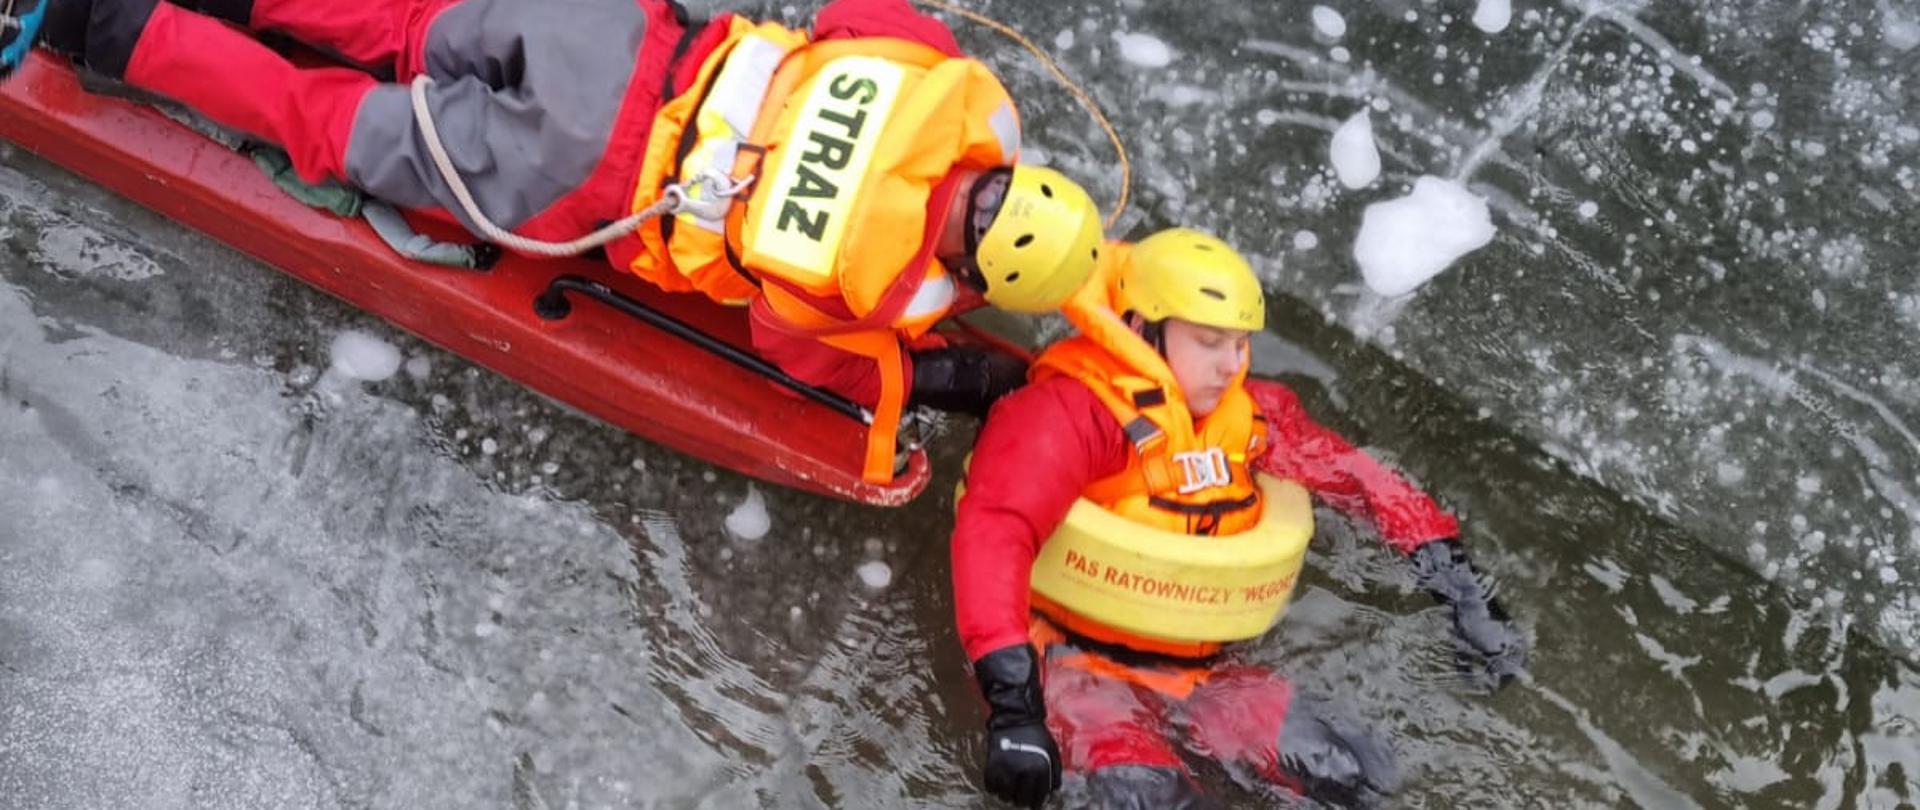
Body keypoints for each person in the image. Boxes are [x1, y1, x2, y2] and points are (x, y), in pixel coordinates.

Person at [3, 0, 1104, 483]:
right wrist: (947, 373)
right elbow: (790, 345)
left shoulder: (934, 82)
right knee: (325, 124)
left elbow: (859, 14)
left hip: (620, 34)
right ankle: (94, 20)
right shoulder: (864, 284)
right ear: (973, 272)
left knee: (401, 21)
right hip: (579, 177)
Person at [949, 228, 1528, 808]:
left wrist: (1462, 590)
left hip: (1199, 671)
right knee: (1153, 798)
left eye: (1240, 343)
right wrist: (1014, 711)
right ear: (1141, 328)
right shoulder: (1069, 415)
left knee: (1351, 773)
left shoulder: (1251, 417)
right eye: (1209, 342)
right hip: (1069, 665)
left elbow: (1358, 478)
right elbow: (994, 529)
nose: (1231, 365)